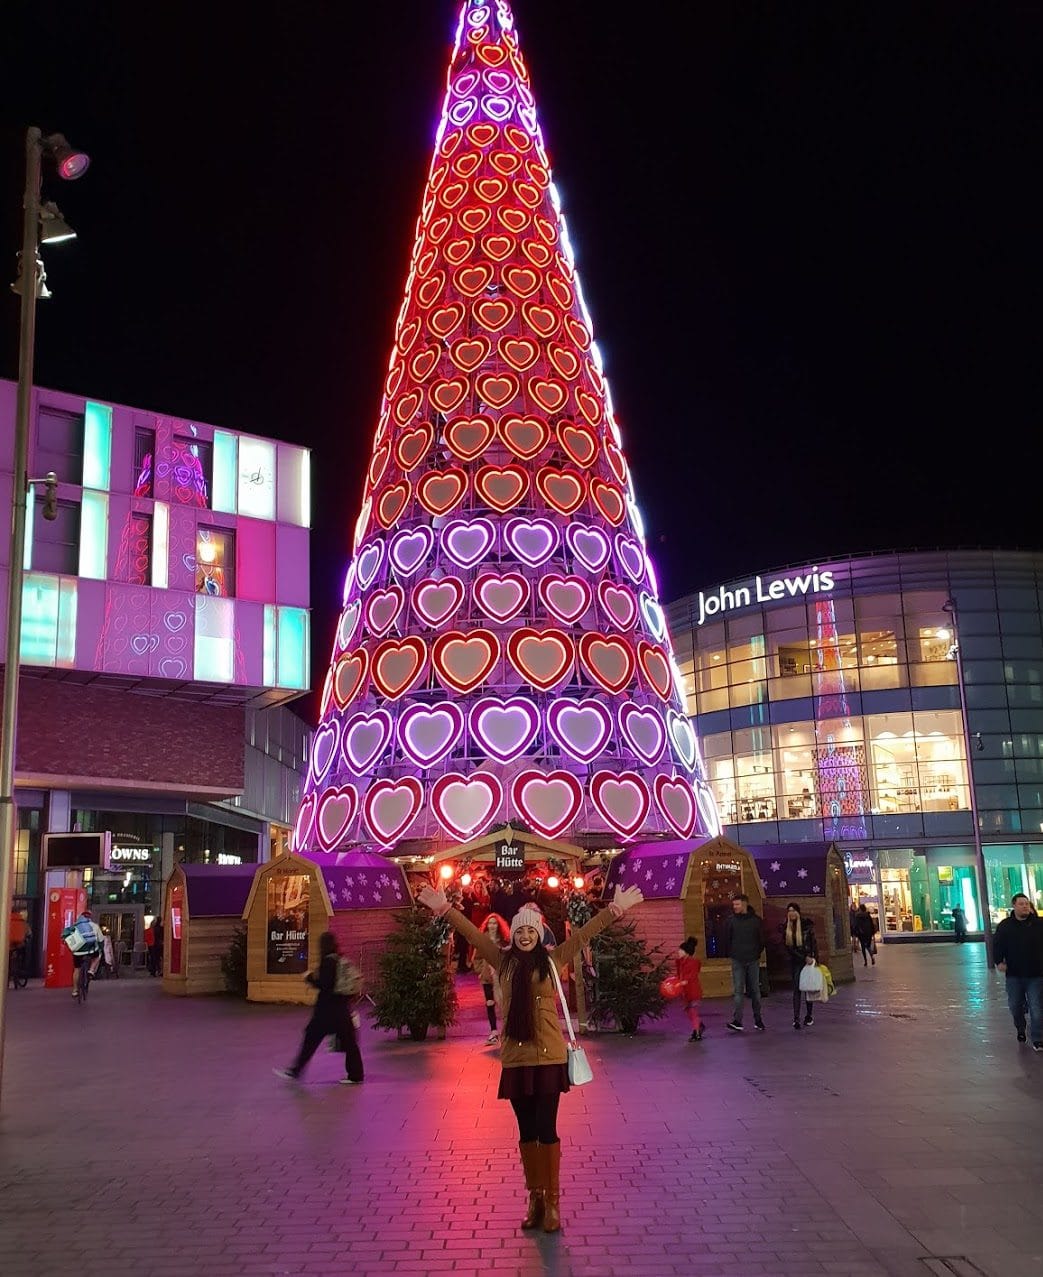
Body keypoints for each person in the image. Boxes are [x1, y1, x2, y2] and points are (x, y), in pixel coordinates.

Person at [418, 880, 645, 1233]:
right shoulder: (503, 960)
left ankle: (553, 1202)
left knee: (546, 1129)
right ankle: (535, 1198)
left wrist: (615, 909)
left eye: (531, 930)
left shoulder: (553, 960)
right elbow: (473, 935)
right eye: (520, 930)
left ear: (539, 934)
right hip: (516, 1058)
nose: (525, 935)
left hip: (548, 1057)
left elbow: (583, 936)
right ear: (514, 933)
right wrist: (444, 909)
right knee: (526, 1132)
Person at [274, 931, 365, 1084]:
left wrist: (309, 978)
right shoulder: (340, 958)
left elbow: (324, 985)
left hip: (326, 1011)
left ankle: (295, 1071)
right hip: (342, 1008)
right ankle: (356, 1075)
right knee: (350, 1043)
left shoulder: (328, 962)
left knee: (310, 1039)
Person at [992, 893, 1043, 1051]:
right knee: (1015, 1006)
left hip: (1036, 974)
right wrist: (999, 961)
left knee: (1036, 1007)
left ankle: (1038, 1038)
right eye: (1021, 904)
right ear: (1014, 906)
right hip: (1014, 975)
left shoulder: (1038, 924)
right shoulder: (1005, 926)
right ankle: (1020, 1029)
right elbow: (997, 945)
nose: (1025, 906)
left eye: (1027, 903)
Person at [724, 893, 766, 1032]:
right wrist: (732, 953)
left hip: (752, 959)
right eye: (734, 905)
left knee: (755, 990)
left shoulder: (756, 921)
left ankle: (758, 1020)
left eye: (737, 904)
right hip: (737, 959)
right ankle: (737, 1020)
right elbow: (727, 938)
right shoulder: (731, 921)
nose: (735, 907)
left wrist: (756, 953)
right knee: (738, 991)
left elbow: (761, 940)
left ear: (745, 904)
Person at [473, 912, 510, 1045]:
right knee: (489, 1003)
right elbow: (476, 958)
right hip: (487, 976)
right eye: (490, 923)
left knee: (504, 1002)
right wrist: (480, 970)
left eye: (495, 923)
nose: (492, 925)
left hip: (500, 976)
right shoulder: (483, 940)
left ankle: (506, 1030)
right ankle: (494, 1031)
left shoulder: (504, 940)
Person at [781, 902, 819, 1029]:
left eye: (793, 910)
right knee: (797, 989)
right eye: (789, 911)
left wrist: (815, 960)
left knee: (808, 989)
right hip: (796, 962)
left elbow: (813, 943)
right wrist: (804, 958)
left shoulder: (806, 926)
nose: (791, 913)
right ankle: (796, 1018)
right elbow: (789, 948)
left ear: (798, 912)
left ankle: (809, 1015)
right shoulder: (786, 928)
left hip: (808, 961)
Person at [64, 909, 104, 998]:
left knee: (77, 969)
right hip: (90, 950)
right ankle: (91, 970)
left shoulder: (75, 926)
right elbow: (100, 940)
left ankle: (74, 990)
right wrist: (100, 948)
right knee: (98, 956)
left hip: (78, 952)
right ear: (90, 917)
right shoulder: (94, 926)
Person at [676, 936, 704, 1041]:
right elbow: (680, 976)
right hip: (685, 992)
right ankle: (699, 1026)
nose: (678, 951)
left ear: (686, 952)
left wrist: (682, 982)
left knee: (693, 1011)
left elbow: (691, 976)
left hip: (693, 991)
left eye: (681, 950)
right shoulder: (680, 963)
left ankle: (697, 1033)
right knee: (689, 1011)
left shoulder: (693, 963)